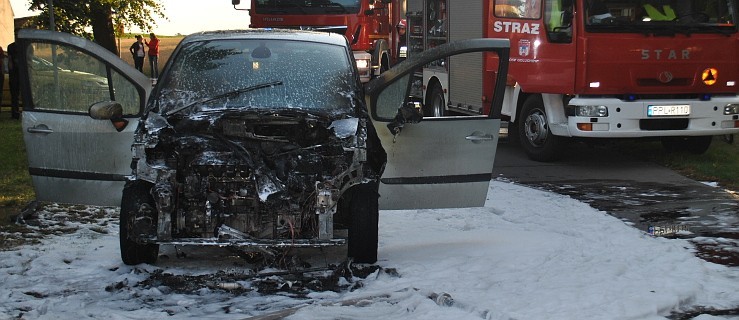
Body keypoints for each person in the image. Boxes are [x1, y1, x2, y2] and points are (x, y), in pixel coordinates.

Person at [7, 29, 21, 119]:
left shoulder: (24, 46)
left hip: (22, 73)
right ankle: (15, 113)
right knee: (15, 95)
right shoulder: (11, 47)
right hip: (14, 74)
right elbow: (9, 61)